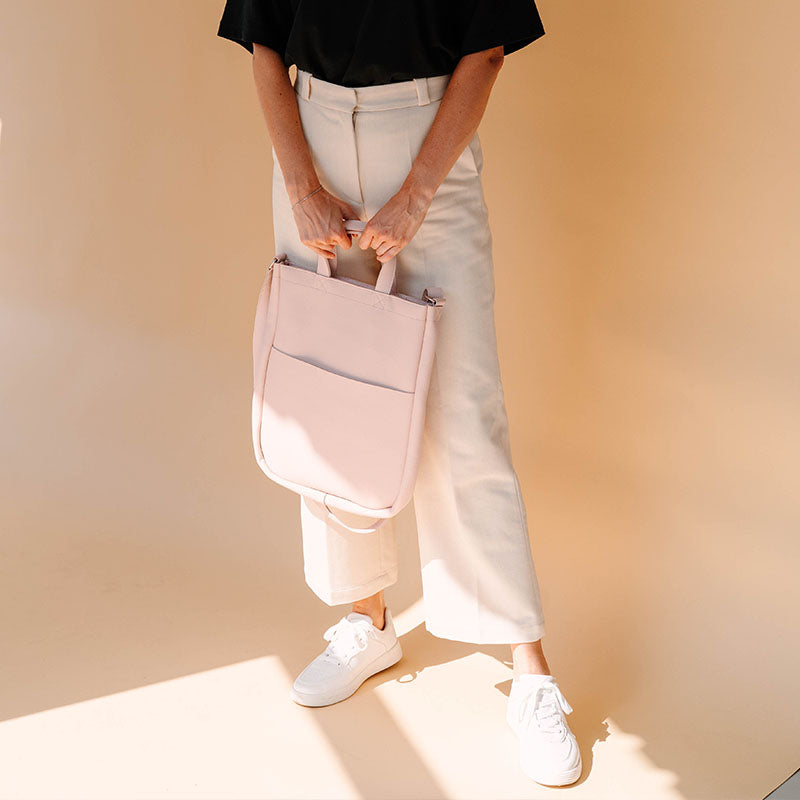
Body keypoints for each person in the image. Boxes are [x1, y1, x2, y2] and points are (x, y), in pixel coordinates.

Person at [217, 0, 581, 787]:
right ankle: (367, 618)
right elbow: (262, 41)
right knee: (329, 403)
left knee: (464, 414)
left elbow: (486, 50)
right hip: (309, 146)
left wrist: (417, 191)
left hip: (428, 148)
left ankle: (529, 672)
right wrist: (300, 183)